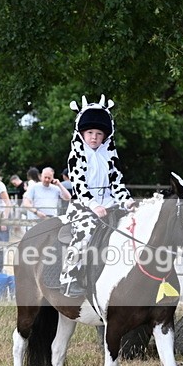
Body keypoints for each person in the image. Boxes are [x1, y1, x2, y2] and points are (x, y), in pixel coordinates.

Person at [60, 95, 134, 297]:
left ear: (105, 136)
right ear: (82, 133)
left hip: (110, 204)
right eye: (90, 132)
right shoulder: (77, 155)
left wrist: (126, 200)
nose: (94, 137)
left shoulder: (110, 154)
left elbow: (117, 181)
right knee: (85, 232)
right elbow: (79, 184)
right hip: (83, 207)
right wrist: (93, 205)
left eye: (98, 133)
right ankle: (70, 277)